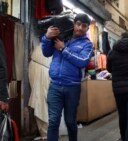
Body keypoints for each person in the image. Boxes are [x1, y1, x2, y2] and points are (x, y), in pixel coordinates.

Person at [41, 13, 93, 141]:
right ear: (74, 24)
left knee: (70, 121)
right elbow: (46, 52)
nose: (80, 28)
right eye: (78, 24)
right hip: (55, 86)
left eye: (84, 26)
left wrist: (64, 49)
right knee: (53, 121)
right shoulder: (63, 37)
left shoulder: (87, 44)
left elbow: (82, 61)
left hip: (72, 88)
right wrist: (47, 37)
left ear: (87, 29)